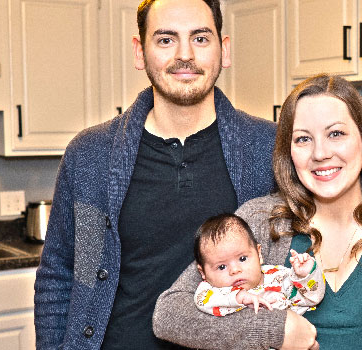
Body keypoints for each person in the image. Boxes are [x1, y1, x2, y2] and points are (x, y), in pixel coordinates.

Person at [33, 0, 277, 348]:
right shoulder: (92, 157)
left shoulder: (266, 148)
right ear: (139, 52)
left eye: (200, 39)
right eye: (165, 40)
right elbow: (66, 273)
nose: (184, 54)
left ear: (224, 50)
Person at [153, 74, 362, 349]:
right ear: (288, 151)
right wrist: (274, 330)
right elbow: (169, 315)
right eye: (303, 139)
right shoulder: (260, 219)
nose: (320, 153)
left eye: (336, 133)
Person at [191, 213, 325, 316]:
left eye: (242, 258)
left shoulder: (278, 276)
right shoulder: (210, 291)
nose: (235, 270)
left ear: (259, 254)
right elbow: (202, 301)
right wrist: (238, 297)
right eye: (221, 267)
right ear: (203, 273)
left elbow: (311, 299)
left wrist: (305, 275)